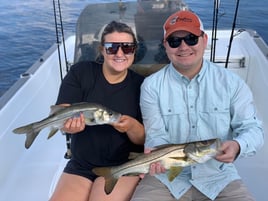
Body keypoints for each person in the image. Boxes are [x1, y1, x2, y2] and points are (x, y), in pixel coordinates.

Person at [130, 10, 264, 201]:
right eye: (175, 41)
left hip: (220, 177)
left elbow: (254, 129)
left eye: (191, 38)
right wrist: (155, 157)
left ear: (204, 39)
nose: (183, 47)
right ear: (165, 46)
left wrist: (237, 145)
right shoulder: (151, 86)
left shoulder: (232, 83)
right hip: (166, 179)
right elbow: (156, 136)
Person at [49, 21, 145, 201]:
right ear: (102, 50)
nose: (119, 53)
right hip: (81, 165)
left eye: (127, 47)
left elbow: (144, 139)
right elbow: (61, 113)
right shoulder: (80, 72)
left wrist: (131, 126)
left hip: (123, 167)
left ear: (134, 51)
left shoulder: (143, 86)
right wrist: (67, 126)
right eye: (111, 47)